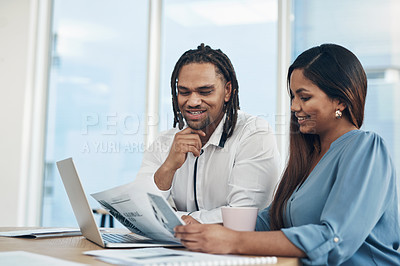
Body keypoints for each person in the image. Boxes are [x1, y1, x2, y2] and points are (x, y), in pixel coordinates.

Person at [174, 44, 400, 265]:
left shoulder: (365, 148)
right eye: (292, 96)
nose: (294, 106)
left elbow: (334, 238)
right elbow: (271, 220)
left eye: (304, 97)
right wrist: (205, 231)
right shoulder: (311, 157)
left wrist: (233, 240)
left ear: (340, 100)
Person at [134, 44, 281, 224]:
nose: (193, 101)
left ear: (227, 91)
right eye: (184, 92)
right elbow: (138, 212)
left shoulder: (254, 134)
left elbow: (242, 216)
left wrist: (175, 218)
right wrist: (168, 167)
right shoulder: (165, 141)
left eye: (205, 92)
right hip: (175, 249)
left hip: (233, 251)